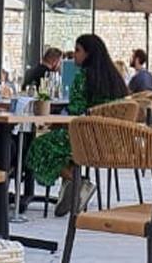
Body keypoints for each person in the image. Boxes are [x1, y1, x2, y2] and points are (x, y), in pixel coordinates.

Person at [26, 34, 129, 215]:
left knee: (39, 144)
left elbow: (76, 109)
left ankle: (76, 181)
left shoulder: (83, 76)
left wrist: (55, 123)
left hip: (86, 138)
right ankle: (71, 188)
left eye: (77, 50)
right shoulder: (114, 78)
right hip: (114, 141)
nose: (74, 55)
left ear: (88, 53)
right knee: (59, 144)